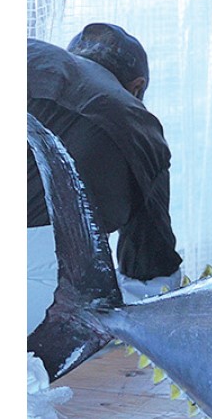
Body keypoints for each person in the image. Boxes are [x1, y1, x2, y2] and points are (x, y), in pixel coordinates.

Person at [27, 23, 183, 335]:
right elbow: (149, 263)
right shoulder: (139, 124)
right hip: (34, 263)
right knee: (111, 303)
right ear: (137, 86)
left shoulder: (31, 51)